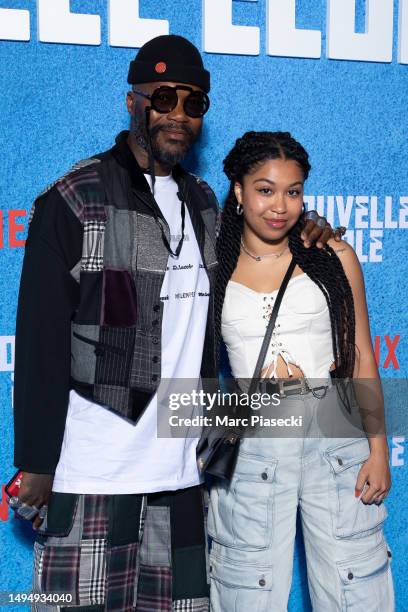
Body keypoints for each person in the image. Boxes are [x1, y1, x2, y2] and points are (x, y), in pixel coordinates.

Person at [12, 36, 334, 610]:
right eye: (164, 98)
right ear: (133, 102)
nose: (178, 115)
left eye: (193, 103)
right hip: (93, 474)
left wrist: (310, 226)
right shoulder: (74, 198)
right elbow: (39, 342)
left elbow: (271, 222)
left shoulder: (207, 203)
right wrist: (36, 464)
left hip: (183, 478)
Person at [208, 131, 394, 611]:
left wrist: (378, 449)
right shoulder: (213, 266)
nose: (281, 205)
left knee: (354, 588)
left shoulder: (333, 256)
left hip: (334, 437)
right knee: (247, 589)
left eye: (293, 191)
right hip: (252, 445)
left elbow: (361, 356)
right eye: (266, 189)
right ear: (239, 191)